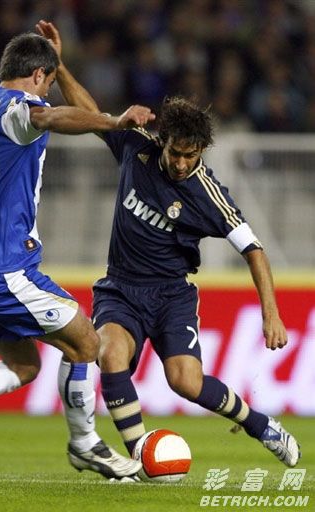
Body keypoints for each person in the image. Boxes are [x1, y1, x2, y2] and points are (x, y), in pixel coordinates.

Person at [37, 21, 301, 477]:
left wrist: (271, 313)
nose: (181, 163)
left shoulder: (208, 194)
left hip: (171, 296)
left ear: (202, 152)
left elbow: (254, 249)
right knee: (109, 354)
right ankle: (141, 458)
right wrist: (59, 68)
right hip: (121, 288)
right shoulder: (135, 147)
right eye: (176, 152)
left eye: (191, 156)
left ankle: (261, 426)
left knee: (185, 382)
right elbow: (93, 113)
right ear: (164, 141)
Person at [0, 28, 156, 484]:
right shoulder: (20, 108)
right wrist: (115, 122)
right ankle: (85, 444)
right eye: (49, 83)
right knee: (87, 341)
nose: (47, 93)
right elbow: (48, 117)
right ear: (37, 75)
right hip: (2, 266)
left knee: (23, 365)